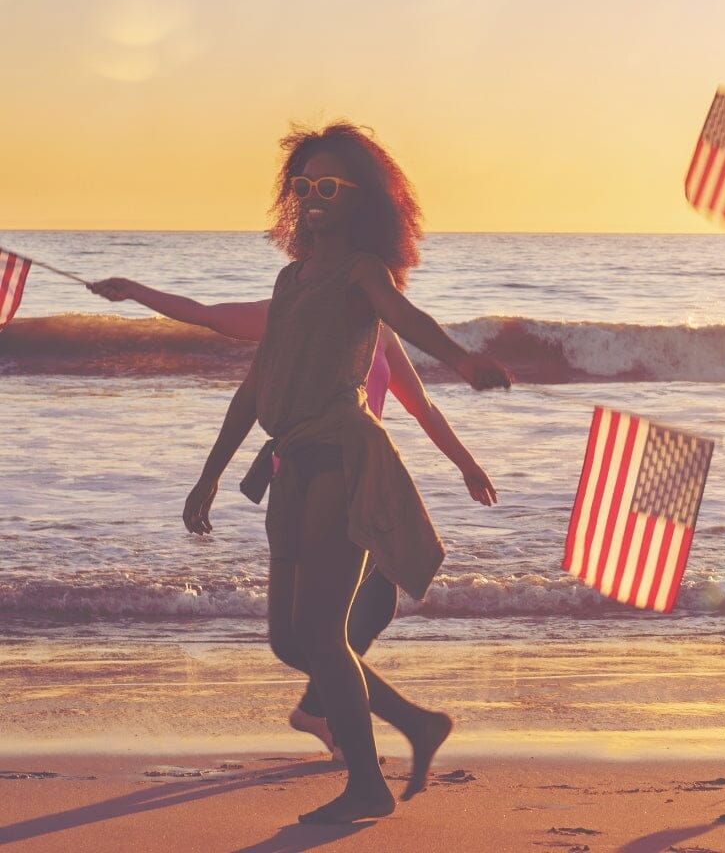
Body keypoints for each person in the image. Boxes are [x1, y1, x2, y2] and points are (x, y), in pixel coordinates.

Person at [141, 122, 510, 824]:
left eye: (330, 186)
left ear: (360, 200)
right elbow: (255, 387)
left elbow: (406, 315)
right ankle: (418, 724)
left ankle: (367, 785)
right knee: (289, 639)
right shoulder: (289, 281)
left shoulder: (362, 272)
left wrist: (462, 360)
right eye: (304, 184)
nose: (314, 196)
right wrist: (209, 473)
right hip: (289, 463)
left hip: (342, 456)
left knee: (321, 630)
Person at [88, 279, 495, 776]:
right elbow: (210, 317)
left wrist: (467, 464)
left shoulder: (377, 328)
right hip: (307, 484)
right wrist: (132, 290)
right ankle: (365, 723)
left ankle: (328, 714)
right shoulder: (287, 312)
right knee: (305, 634)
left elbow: (422, 406)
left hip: (362, 478)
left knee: (368, 611)